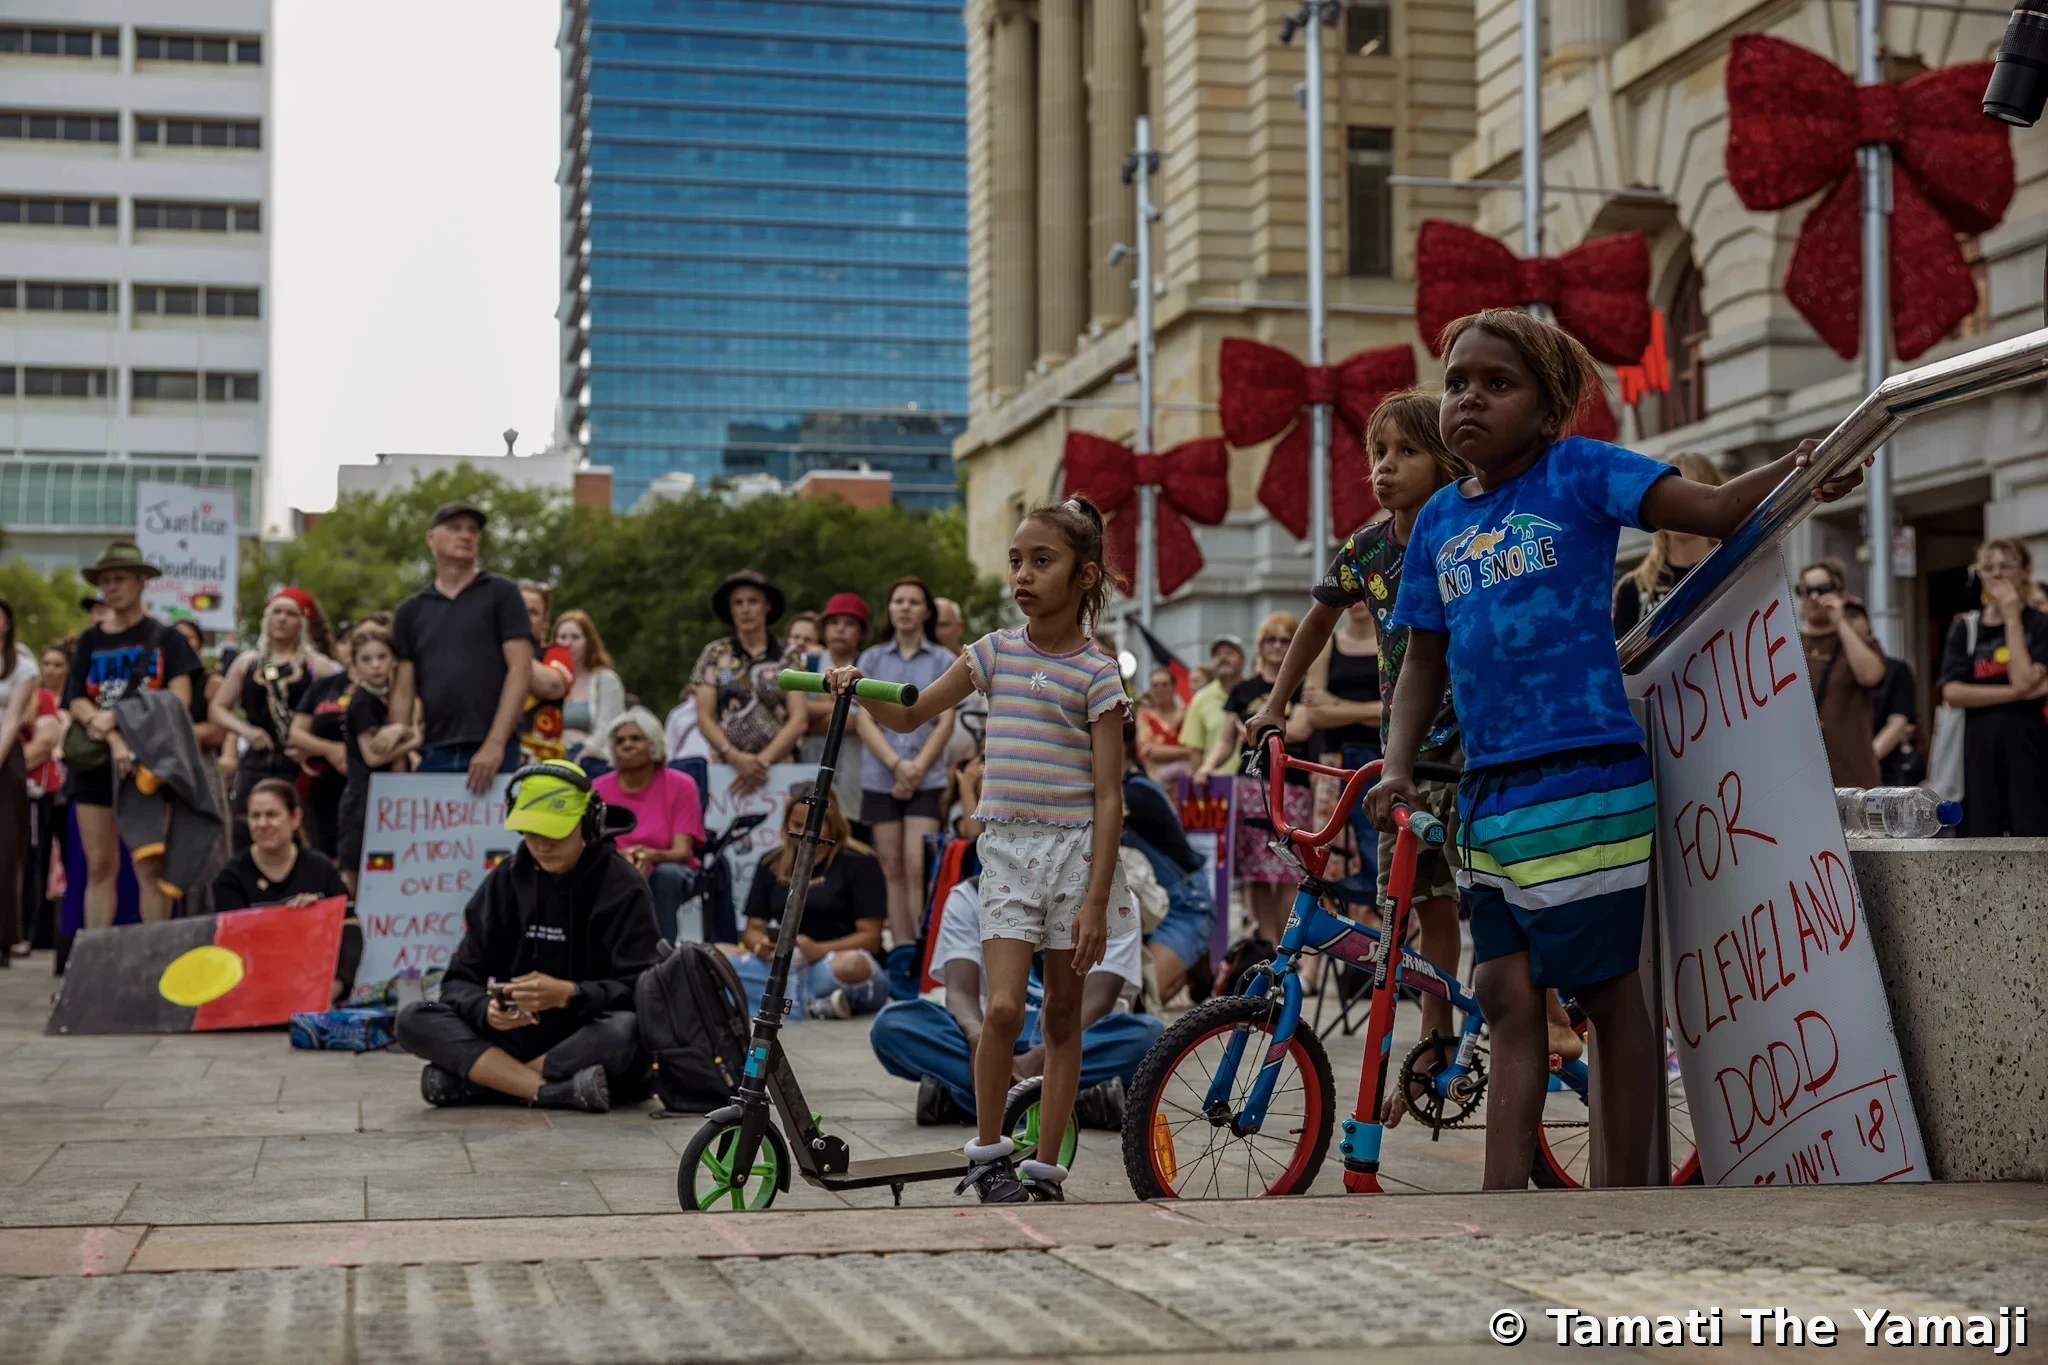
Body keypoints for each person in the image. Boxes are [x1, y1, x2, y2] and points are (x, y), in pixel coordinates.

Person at [1364, 308, 1863, 1191]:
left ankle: (1626, 1198)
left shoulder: (1581, 470)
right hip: (1488, 790)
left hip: (1587, 774)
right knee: (1506, 996)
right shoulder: (1438, 517)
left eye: (1497, 384)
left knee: (1605, 995)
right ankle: (1504, 1199)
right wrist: (1397, 763)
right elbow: (1421, 662)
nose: (1468, 399)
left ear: (1548, 408)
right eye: (1457, 383)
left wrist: (1806, 464)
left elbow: (1713, 509)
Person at [825, 496, 1137, 1203]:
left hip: (1075, 856)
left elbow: (1109, 796)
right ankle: (989, 1154)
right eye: (1016, 561)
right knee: (1001, 1010)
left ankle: (1045, 1171)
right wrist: (857, 686)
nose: (1022, 575)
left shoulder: (1097, 673)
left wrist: (1096, 900)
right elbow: (910, 712)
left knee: (1062, 1017)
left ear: (1085, 576)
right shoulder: (993, 651)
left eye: (1042, 561)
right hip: (1007, 852)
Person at [1251, 389, 1469, 1045]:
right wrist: (1274, 704)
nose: (1385, 466)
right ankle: (1433, 1036)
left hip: (1473, 744)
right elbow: (1317, 621)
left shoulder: (1465, 535)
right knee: (1422, 898)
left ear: (1445, 460)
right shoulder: (1366, 548)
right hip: (1403, 753)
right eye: (1378, 452)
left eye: (1406, 451)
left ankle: (1533, 1008)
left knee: (1489, 890)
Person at [394, 759, 661, 1112]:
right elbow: (459, 981)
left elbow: (643, 989)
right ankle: (551, 1091)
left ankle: (487, 1082)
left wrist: (570, 994)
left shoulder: (624, 886)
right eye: (531, 832)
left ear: (589, 823)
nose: (542, 844)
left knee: (625, 1030)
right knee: (414, 1017)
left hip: (585, 1031)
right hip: (517, 1033)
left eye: (554, 833)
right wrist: (487, 1010)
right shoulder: (506, 880)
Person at [870, 871, 1164, 1126]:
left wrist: (1041, 1057)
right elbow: (959, 992)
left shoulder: (1113, 900)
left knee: (1149, 1038)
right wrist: (980, 1043)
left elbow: (1097, 1001)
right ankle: (1079, 1105)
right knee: (893, 1026)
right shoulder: (970, 895)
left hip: (1077, 1037)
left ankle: (969, 1101)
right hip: (989, 1032)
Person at [62, 542, 205, 928]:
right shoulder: (89, 641)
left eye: (119, 579)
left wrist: (121, 719)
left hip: (149, 764)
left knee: (150, 867)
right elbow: (75, 700)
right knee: (99, 866)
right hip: (95, 761)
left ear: (142, 581)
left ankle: (155, 957)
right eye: (105, 580)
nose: (110, 587)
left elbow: (178, 702)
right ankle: (98, 958)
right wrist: (111, 735)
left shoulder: (168, 639)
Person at [389, 502, 536, 796]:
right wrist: (398, 759)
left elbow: (521, 670)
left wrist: (495, 744)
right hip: (432, 749)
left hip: (496, 750)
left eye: (472, 530)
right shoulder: (410, 611)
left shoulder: (503, 594)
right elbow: (403, 690)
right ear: (431, 538)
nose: (466, 535)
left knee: (500, 826)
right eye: (455, 528)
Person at [853, 576, 955, 949]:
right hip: (881, 777)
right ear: (889, 609)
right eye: (899, 601)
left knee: (917, 864)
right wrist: (897, 765)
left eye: (914, 602)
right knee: (890, 867)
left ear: (927, 611)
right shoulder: (871, 659)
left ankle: (923, 951)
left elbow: (946, 720)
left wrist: (917, 769)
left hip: (926, 778)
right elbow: (863, 720)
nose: (905, 608)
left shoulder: (943, 660)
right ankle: (901, 948)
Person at [726, 783, 886, 1018]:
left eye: (814, 826)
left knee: (852, 964)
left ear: (832, 824)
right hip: (783, 964)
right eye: (797, 825)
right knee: (719, 957)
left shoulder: (860, 861)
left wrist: (819, 950)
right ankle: (814, 1004)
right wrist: (762, 947)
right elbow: (753, 928)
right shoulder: (771, 862)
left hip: (832, 961)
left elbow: (870, 938)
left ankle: (788, 1001)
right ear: (786, 824)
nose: (804, 834)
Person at [1208, 612, 1314, 945]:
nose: (1277, 646)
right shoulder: (1244, 689)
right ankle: (1267, 945)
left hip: (1293, 786)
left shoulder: (1303, 687)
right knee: (1255, 871)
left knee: (1289, 870)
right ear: (1260, 645)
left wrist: (1250, 729)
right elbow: (1225, 741)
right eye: (1271, 639)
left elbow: (1299, 730)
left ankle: (1287, 945)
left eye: (1285, 640)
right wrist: (1205, 768)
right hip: (1250, 785)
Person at [212, 587, 343, 849]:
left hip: (299, 764)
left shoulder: (319, 667)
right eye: (277, 612)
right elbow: (218, 708)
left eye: (290, 614)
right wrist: (246, 731)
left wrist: (311, 745)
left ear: (302, 622)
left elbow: (336, 713)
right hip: (257, 760)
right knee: (247, 832)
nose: (282, 619)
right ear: (267, 618)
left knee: (306, 835)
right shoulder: (247, 663)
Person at [210, 778, 358, 1003]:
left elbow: (351, 929)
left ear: (295, 818)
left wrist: (335, 986)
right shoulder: (231, 878)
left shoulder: (320, 868)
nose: (262, 823)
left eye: (271, 815)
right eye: (255, 816)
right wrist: (295, 920)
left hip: (317, 988)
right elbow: (233, 947)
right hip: (257, 994)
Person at [1940, 537, 2048, 836]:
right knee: (1981, 833)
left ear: (2025, 571)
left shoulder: (2040, 624)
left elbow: (2022, 677)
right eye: (1988, 568)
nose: (1997, 574)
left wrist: (2012, 617)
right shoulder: (1965, 627)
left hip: (2029, 743)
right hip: (1977, 745)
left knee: (2031, 833)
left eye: (2006, 565)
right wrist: (2017, 694)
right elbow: (1953, 692)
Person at [1120, 717, 1214, 1003]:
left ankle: (1192, 958)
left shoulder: (1135, 794)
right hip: (1137, 907)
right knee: (1112, 997)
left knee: (1140, 1000)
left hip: (1182, 906)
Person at [692, 570, 809, 798]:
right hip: (727, 768)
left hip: (780, 768)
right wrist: (735, 757)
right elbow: (704, 717)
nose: (745, 609)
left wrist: (762, 762)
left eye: (753, 601)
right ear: (730, 610)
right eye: (738, 603)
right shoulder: (714, 653)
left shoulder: (789, 654)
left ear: (767, 607)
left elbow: (799, 718)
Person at [592, 706, 704, 943]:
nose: (627, 745)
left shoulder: (682, 785)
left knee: (667, 876)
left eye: (636, 738)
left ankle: (659, 952)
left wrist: (650, 856)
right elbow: (591, 845)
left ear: (653, 744)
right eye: (620, 740)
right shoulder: (597, 789)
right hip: (614, 864)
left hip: (665, 865)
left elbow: (682, 851)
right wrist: (623, 859)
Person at [336, 625, 419, 891]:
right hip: (362, 800)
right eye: (366, 659)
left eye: (382, 657)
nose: (375, 665)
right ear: (355, 665)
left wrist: (400, 729)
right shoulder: (363, 701)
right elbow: (372, 756)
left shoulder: (389, 698)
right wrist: (414, 740)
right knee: (356, 875)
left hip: (383, 800)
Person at [1611, 452, 1725, 639]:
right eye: (1670, 499)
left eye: (1690, 496)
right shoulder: (1633, 588)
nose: (1679, 508)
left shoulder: (1735, 566)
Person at [1796, 559, 1886, 788]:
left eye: (1823, 590)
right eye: (1806, 591)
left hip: (1851, 773)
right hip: (1802, 770)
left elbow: (1871, 676)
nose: (1814, 597)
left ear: (1841, 594)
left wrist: (1840, 622)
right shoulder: (1789, 642)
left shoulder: (1857, 640)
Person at [804, 593, 871, 821]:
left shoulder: (869, 664)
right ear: (823, 628)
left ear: (861, 632)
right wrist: (838, 706)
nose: (840, 629)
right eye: (834, 622)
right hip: (808, 766)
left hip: (855, 774)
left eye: (849, 623)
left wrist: (815, 712)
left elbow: (863, 721)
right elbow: (795, 714)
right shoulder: (808, 663)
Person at [1846, 601, 1923, 787]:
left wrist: (1866, 761)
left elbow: (1898, 723)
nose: (1849, 622)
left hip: (1882, 771)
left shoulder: (1896, 670)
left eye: (1854, 616)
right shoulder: (1831, 673)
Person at [0, 596, 37, 966]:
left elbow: (12, 719)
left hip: (5, 756)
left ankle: (4, 937)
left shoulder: (22, 666)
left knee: (6, 850)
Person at [290, 658, 352, 859]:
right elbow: (296, 733)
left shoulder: (386, 687)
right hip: (322, 783)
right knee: (323, 853)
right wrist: (330, 750)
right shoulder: (324, 686)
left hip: (363, 780)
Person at [517, 581, 575, 766]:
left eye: (533, 612)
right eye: (518, 609)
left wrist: (512, 649)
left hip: (544, 761)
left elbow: (552, 686)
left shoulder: (558, 653)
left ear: (545, 620)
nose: (524, 617)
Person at [553, 610, 624, 762]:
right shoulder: (549, 679)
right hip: (551, 755)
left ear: (588, 641)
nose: (568, 643)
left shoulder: (605, 679)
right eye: (562, 637)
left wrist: (584, 754)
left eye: (575, 637)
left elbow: (608, 727)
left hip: (589, 757)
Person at [1182, 636, 1246, 779]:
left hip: (1254, 782)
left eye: (1229, 653)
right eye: (1217, 655)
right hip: (1216, 783)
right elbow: (1195, 751)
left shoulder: (1255, 695)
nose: (1223, 658)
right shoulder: (1200, 699)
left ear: (1243, 660)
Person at [1134, 666, 1194, 784]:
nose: (1160, 689)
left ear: (1174, 687)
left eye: (1164, 684)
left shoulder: (1187, 712)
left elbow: (1197, 746)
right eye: (1155, 685)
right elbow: (1149, 751)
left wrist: (1162, 751)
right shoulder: (1145, 716)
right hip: (1156, 780)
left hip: (1185, 781)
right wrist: (1188, 752)